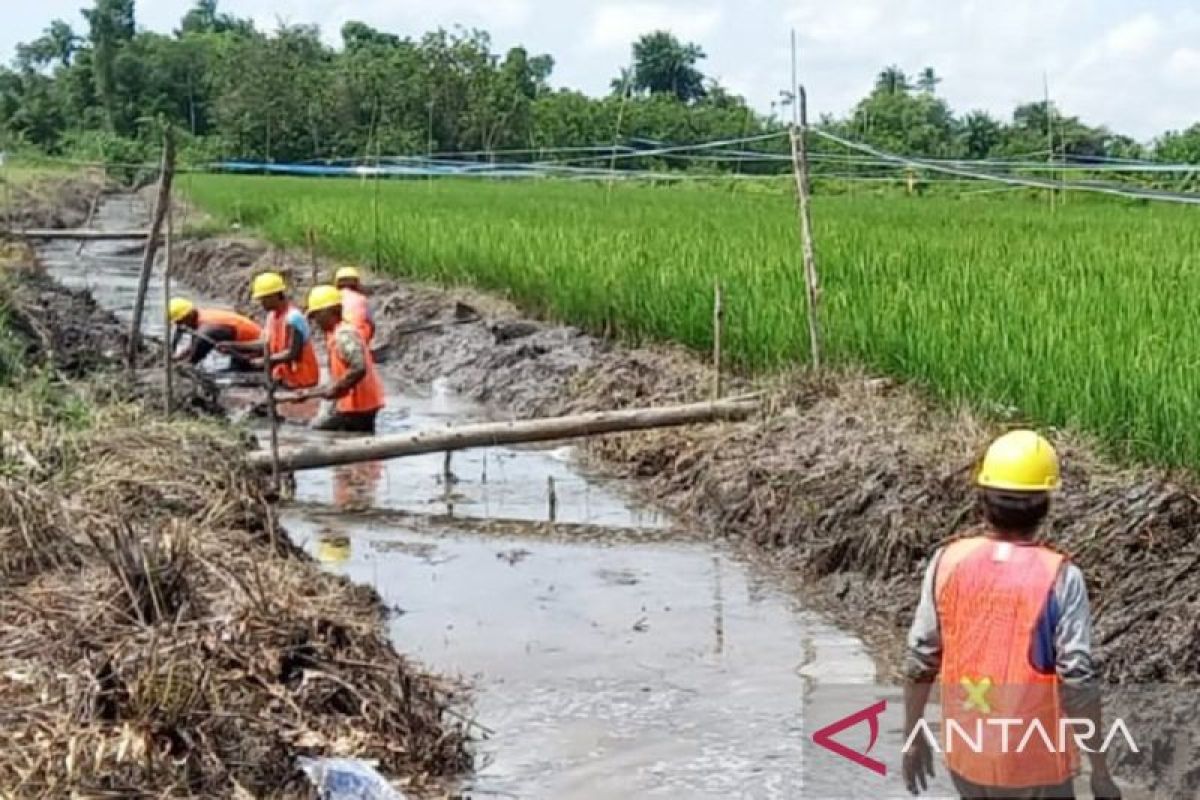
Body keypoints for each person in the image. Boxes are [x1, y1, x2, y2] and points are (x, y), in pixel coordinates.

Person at [902, 430, 1121, 800]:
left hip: (967, 756)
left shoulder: (947, 562)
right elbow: (1077, 678)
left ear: (983, 502)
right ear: (1045, 505)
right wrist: (1099, 771)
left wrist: (912, 736)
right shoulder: (1061, 577)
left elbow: (920, 658)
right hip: (1035, 763)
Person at [303, 284, 386, 433]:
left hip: (358, 406)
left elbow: (359, 367)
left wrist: (336, 389)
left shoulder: (344, 334)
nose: (315, 321)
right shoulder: (337, 333)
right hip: (358, 404)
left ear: (331, 311)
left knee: (316, 431)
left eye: (317, 315)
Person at [221, 271, 320, 390]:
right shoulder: (272, 316)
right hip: (282, 375)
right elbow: (264, 343)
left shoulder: (293, 318)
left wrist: (264, 361)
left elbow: (292, 353)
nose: (261, 303)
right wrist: (234, 346)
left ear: (275, 296)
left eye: (264, 299)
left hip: (302, 378)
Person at [168, 297, 262, 372]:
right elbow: (194, 347)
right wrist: (178, 357)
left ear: (189, 316)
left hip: (258, 353)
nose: (180, 326)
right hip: (243, 349)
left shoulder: (209, 329)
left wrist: (175, 366)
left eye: (180, 322)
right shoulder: (200, 318)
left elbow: (192, 360)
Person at [334, 266, 375, 345]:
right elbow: (371, 323)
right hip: (358, 336)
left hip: (338, 335)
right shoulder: (362, 299)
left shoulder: (333, 299)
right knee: (368, 324)